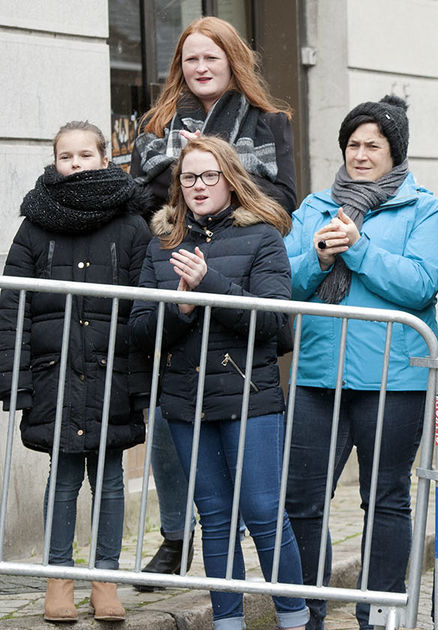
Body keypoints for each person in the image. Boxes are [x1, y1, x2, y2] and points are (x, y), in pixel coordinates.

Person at [130, 15, 297, 585]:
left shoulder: (268, 121)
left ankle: (294, 604)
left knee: (256, 501)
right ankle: (177, 534)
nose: (200, 69)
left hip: (241, 265)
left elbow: (283, 198)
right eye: (191, 59)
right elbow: (145, 197)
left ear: (233, 62)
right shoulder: (156, 123)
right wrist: (183, 176)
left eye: (212, 59)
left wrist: (220, 167)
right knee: (169, 412)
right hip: (171, 261)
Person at [129, 136, 306, 630]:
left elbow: (276, 325)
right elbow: (142, 330)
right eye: (188, 177)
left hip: (251, 398)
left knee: (265, 514)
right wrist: (182, 310)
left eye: (209, 176)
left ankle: (294, 617)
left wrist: (209, 285)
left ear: (230, 179)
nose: (198, 186)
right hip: (187, 403)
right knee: (215, 520)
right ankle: (228, 622)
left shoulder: (263, 237)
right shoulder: (161, 242)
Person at [284, 95, 438, 630]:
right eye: (352, 144)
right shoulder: (313, 207)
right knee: (303, 500)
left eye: (372, 145)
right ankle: (306, 611)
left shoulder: (424, 208)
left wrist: (355, 249)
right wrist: (320, 256)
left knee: (386, 499)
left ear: (393, 151)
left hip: (393, 379)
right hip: (316, 374)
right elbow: (285, 281)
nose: (360, 154)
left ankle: (377, 615)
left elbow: (420, 283)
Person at [0, 121, 153, 622]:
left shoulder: (132, 225)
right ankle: (58, 579)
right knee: (63, 479)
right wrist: (14, 379)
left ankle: (104, 581)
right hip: (55, 374)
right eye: (66, 156)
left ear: (105, 159)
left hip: (113, 372)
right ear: (54, 162)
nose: (75, 164)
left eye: (86, 155)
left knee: (110, 480)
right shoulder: (35, 224)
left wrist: (142, 379)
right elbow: (12, 305)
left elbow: (144, 305)